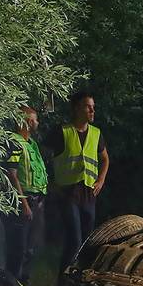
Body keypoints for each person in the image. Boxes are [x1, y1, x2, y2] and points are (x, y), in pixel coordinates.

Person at [48, 92, 109, 271]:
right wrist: (51, 184)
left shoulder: (96, 133)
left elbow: (105, 158)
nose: (92, 110)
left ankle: (79, 278)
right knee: (74, 240)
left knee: (86, 241)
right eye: (88, 106)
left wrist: (101, 181)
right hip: (67, 193)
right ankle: (62, 281)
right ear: (76, 109)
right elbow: (42, 158)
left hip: (89, 193)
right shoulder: (62, 131)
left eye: (93, 107)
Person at [3, 106, 48, 286]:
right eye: (35, 120)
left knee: (31, 249)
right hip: (24, 202)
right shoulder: (14, 142)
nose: (37, 123)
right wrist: (24, 204)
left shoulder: (31, 144)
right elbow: (11, 174)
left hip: (37, 201)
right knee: (18, 250)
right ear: (28, 122)